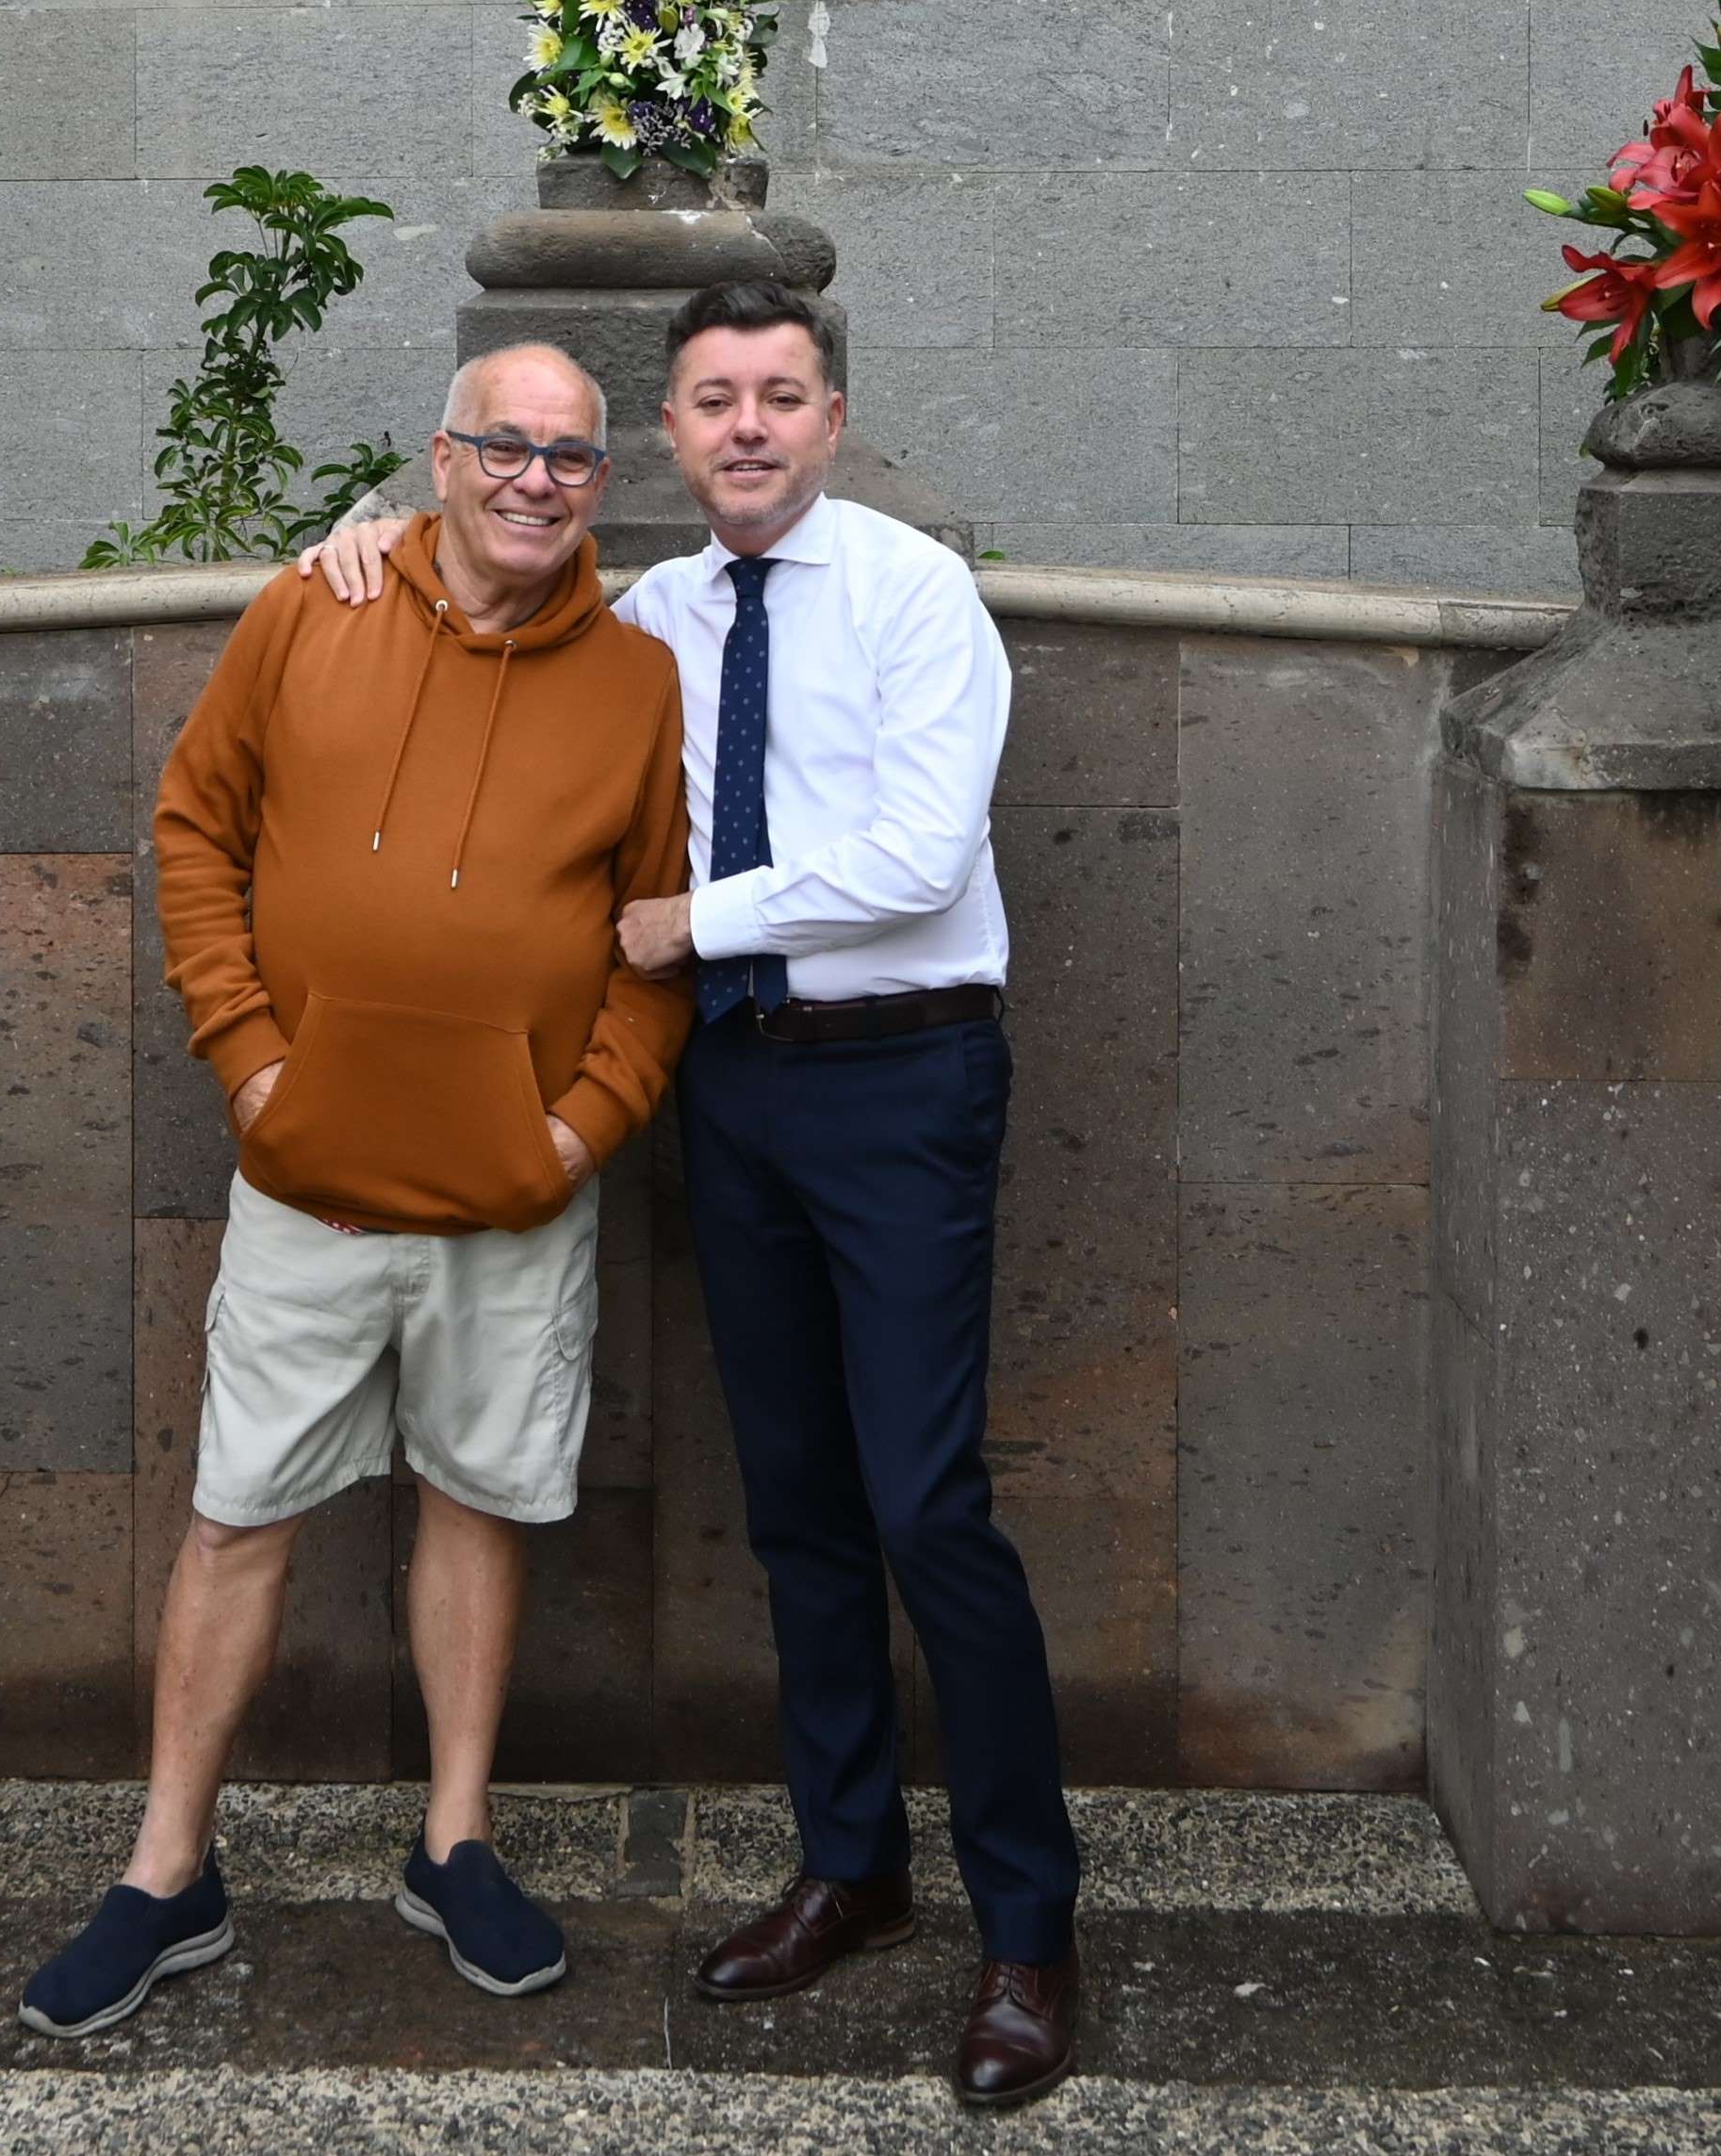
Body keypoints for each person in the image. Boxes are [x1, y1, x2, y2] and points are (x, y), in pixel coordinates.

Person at [302, 279, 1076, 2107]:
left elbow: (919, 850)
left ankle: (1028, 1927)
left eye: (779, 396)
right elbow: (475, 612)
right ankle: (852, 1866)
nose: (744, 426)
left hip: (901, 1079)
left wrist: (691, 918)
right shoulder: (642, 611)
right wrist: (358, 547)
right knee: (796, 1500)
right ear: (668, 428)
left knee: (926, 1502)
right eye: (712, 398)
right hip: (732, 1089)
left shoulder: (911, 592)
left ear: (829, 418)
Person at [20, 339, 693, 2040]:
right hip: (307, 1176)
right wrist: (251, 1060)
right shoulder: (305, 609)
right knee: (239, 1508)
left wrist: (579, 1126)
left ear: (599, 483)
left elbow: (656, 933)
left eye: (570, 457)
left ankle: (452, 1838)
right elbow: (193, 827)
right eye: (504, 446)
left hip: (513, 1199)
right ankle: (168, 1868)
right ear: (441, 455)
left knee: (479, 1495)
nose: (536, 479)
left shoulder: (636, 679)